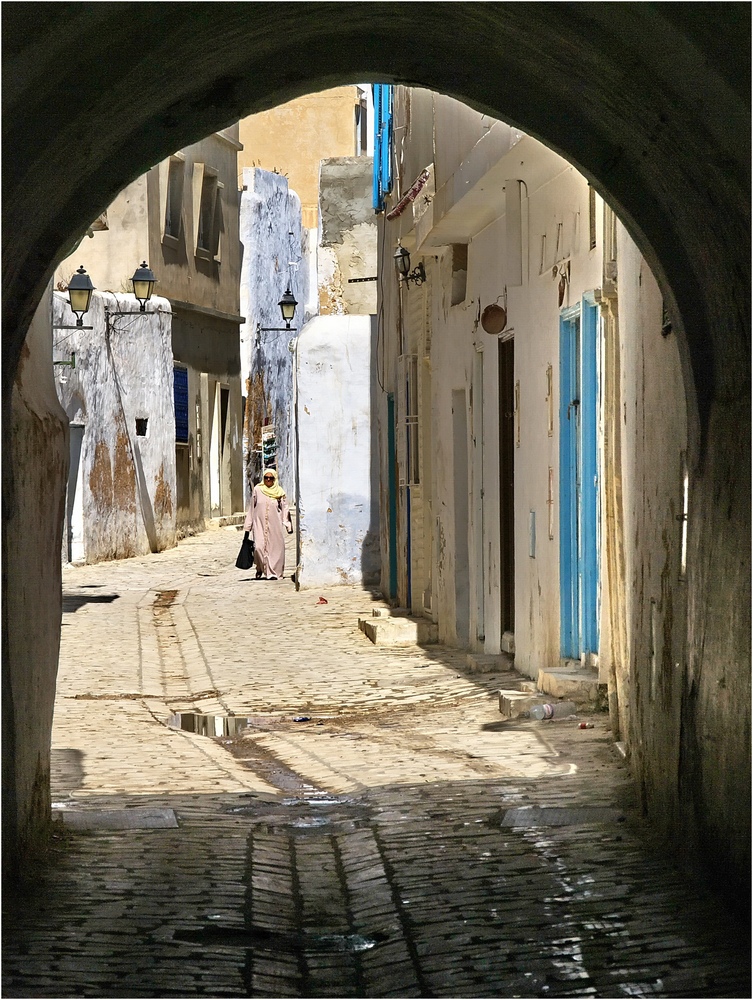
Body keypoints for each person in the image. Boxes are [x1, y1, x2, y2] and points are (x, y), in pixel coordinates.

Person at [244, 468, 293, 580]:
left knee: (275, 549)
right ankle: (260, 568)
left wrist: (287, 525)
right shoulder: (258, 489)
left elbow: (285, 509)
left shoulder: (279, 492)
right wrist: (248, 526)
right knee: (259, 548)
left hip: (274, 525)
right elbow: (252, 508)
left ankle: (274, 573)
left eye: (271, 478)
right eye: (266, 478)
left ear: (274, 479)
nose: (268, 480)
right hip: (259, 525)